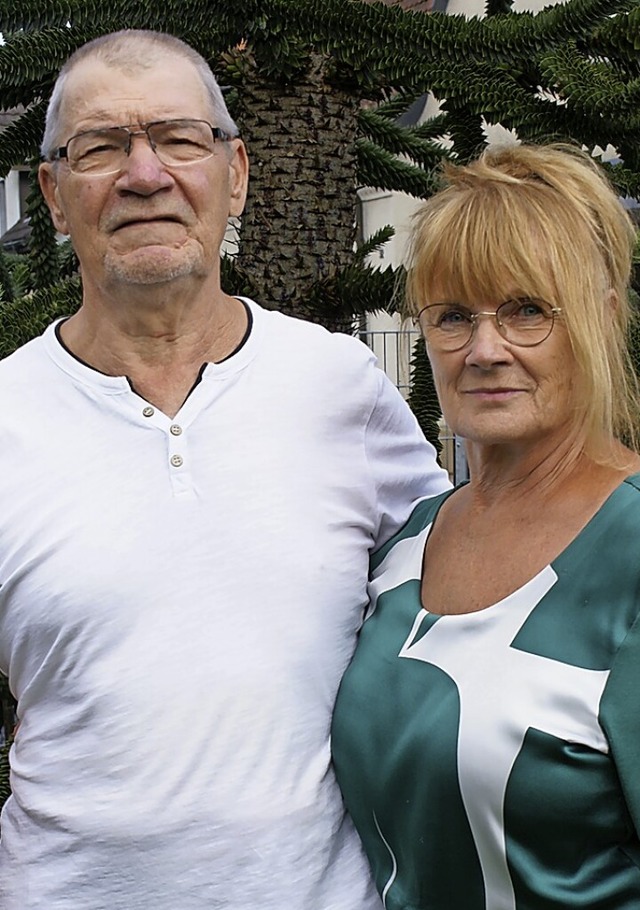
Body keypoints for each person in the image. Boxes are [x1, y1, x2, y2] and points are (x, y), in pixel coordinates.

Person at [0, 29, 450, 910]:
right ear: (54, 195)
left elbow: (468, 593)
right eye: (100, 147)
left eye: (178, 138)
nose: (144, 175)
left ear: (234, 173)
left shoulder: (338, 387)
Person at [332, 142, 640, 909]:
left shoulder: (630, 551)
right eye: (454, 316)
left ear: (602, 320)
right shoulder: (406, 544)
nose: (485, 349)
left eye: (529, 310)